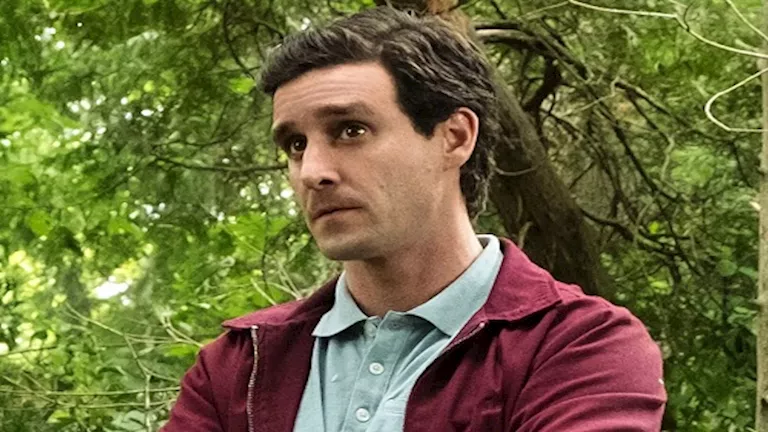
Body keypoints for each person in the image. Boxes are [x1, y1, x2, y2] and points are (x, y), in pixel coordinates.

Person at [162, 6, 666, 432]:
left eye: (350, 130)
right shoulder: (239, 366)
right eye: (296, 144)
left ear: (454, 137)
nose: (312, 171)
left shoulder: (578, 346)